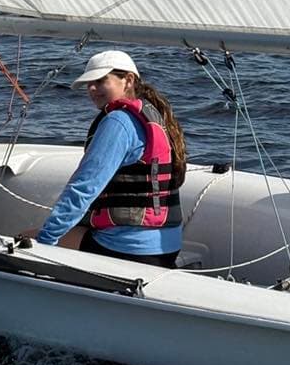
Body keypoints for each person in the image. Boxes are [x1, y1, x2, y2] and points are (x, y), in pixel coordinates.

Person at [24, 50, 187, 267]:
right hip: (167, 248)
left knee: (23, 239)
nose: (92, 89)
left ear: (128, 80)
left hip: (127, 249)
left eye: (101, 81)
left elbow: (84, 187)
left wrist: (45, 243)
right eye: (89, 84)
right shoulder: (155, 115)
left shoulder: (118, 122)